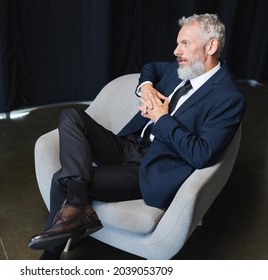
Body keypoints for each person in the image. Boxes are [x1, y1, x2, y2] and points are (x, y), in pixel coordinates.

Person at [29, 13, 246, 259]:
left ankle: (49, 258)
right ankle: (78, 209)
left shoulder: (228, 98)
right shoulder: (182, 69)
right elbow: (150, 67)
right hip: (128, 144)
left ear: (211, 46)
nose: (176, 51)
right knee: (71, 116)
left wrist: (161, 119)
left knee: (62, 179)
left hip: (150, 167)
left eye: (184, 43)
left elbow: (201, 154)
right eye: (177, 43)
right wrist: (146, 87)